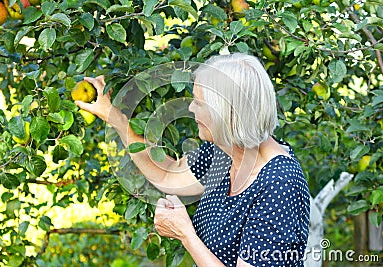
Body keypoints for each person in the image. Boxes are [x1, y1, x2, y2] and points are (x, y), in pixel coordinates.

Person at [76, 53, 310, 267]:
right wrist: (115, 118)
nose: (190, 107)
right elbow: (168, 173)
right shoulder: (224, 152)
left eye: (199, 103)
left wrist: (185, 234)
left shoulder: (280, 183)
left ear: (226, 113)